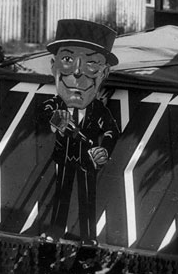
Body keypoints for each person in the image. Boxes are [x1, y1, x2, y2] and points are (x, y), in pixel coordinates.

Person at [40, 18, 121, 240]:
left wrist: (103, 150)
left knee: (87, 198)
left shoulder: (98, 111)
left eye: (91, 64)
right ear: (53, 66)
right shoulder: (56, 104)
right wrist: (57, 118)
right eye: (67, 59)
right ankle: (54, 233)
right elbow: (47, 108)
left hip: (87, 161)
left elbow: (112, 131)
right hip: (64, 158)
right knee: (61, 195)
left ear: (104, 73)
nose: (77, 72)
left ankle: (88, 238)